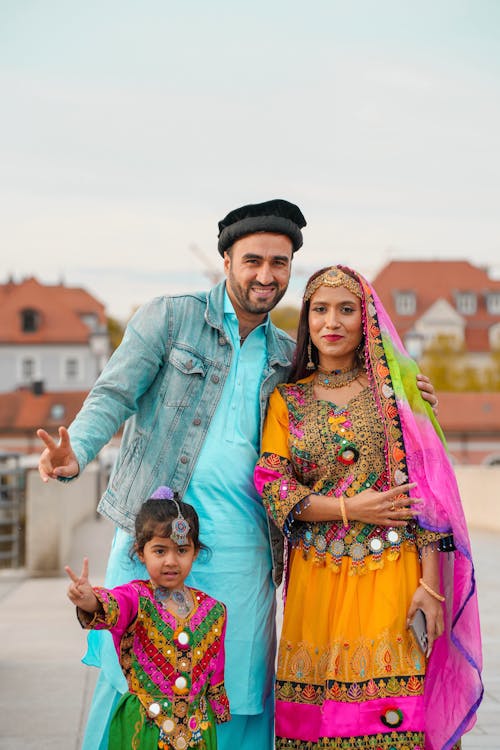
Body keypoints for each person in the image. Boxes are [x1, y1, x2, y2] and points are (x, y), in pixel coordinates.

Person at [37, 200, 438, 750]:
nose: (265, 275)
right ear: (226, 259)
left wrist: (413, 393)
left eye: (279, 263)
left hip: (242, 548)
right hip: (153, 537)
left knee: (237, 684)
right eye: (252, 260)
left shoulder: (285, 356)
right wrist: (75, 453)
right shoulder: (169, 318)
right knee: (134, 679)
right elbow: (113, 394)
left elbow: (345, 394)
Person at [254, 266, 483, 750]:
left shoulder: (397, 397)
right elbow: (273, 486)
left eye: (346, 309)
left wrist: (432, 588)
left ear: (367, 320)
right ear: (306, 321)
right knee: (318, 726)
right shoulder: (286, 401)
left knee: (392, 726)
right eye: (320, 309)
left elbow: (427, 495)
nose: (331, 321)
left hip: (394, 578)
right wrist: (348, 507)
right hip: (317, 582)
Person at [65, 486, 230, 750]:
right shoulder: (136, 598)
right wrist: (88, 600)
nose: (171, 561)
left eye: (182, 550)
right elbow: (112, 605)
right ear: (141, 552)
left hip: (196, 729)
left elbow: (216, 668)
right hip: (142, 729)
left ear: (195, 552)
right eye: (160, 551)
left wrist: (217, 706)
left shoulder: (214, 610)